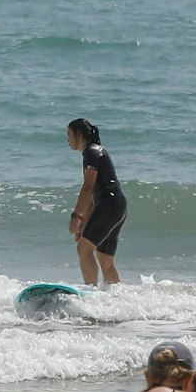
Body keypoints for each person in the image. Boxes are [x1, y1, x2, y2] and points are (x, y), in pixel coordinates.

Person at [65, 118, 125, 287]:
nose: (67, 140)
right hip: (117, 206)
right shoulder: (95, 151)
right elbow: (93, 196)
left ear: (78, 135)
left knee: (83, 250)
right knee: (105, 259)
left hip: (109, 205)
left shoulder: (91, 152)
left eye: (69, 135)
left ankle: (90, 293)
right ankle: (115, 297)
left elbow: (88, 187)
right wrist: (84, 223)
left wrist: (76, 217)